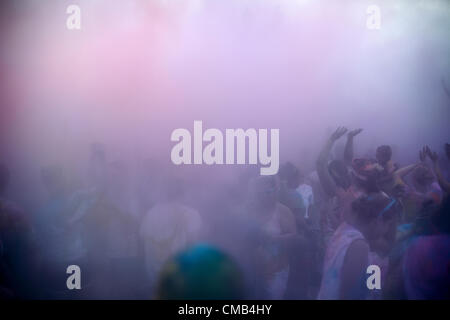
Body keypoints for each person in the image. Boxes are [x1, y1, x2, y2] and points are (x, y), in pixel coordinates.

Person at [318, 192, 400, 299]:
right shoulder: (359, 247)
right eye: (388, 225)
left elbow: (371, 286)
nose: (388, 230)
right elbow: (350, 295)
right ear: (377, 222)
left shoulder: (344, 229)